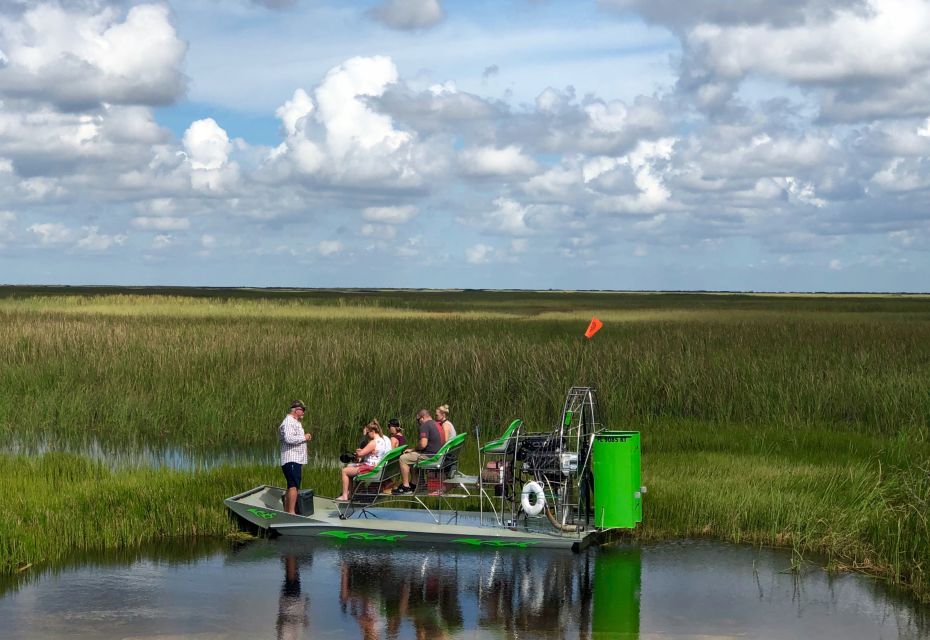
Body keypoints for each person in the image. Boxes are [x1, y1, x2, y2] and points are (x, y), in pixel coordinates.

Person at [336, 420, 392, 501]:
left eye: (368, 433)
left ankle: (345, 496)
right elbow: (372, 452)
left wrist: (359, 451)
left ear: (373, 431)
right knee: (350, 467)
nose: (367, 435)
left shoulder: (374, 442)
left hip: (370, 468)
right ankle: (351, 493)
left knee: (344, 471)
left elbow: (360, 454)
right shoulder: (383, 440)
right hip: (376, 465)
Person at [395, 409, 443, 495]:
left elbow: (423, 444)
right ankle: (415, 483)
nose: (418, 423)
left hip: (430, 456)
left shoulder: (425, 425)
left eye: (418, 420)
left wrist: (413, 449)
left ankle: (406, 487)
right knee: (412, 456)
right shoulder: (437, 424)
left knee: (403, 458)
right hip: (438, 455)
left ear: (422, 418)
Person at [279, 400, 312, 514]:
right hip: (291, 459)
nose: (304, 412)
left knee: (291, 486)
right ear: (296, 410)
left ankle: (288, 511)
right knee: (293, 487)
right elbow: (289, 439)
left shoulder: (295, 422)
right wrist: (304, 437)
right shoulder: (288, 422)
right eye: (302, 410)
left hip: (296, 459)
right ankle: (291, 513)